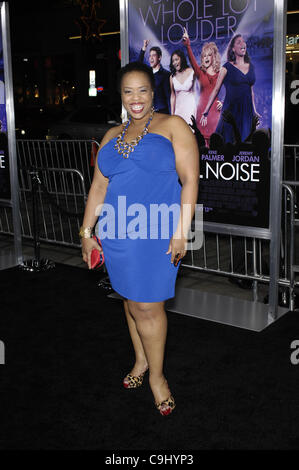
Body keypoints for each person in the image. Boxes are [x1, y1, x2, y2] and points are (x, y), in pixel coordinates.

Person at [80, 61, 199, 416]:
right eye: (128, 91)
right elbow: (99, 187)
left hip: (157, 232)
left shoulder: (173, 126)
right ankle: (141, 361)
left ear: (153, 92)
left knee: (148, 305)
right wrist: (87, 233)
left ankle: (157, 378)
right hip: (117, 234)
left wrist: (182, 232)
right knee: (131, 302)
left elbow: (190, 181)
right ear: (121, 95)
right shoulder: (111, 136)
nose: (136, 98)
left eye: (142, 90)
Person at [200, 34, 261, 144]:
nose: (243, 44)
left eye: (243, 41)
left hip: (247, 112)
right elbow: (216, 89)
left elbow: (250, 90)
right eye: (239, 42)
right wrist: (206, 110)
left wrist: (254, 110)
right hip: (231, 111)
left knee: (246, 143)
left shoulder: (251, 66)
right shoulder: (226, 67)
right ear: (233, 49)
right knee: (229, 143)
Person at [183, 28, 222, 146]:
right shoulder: (200, 72)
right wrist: (188, 44)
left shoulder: (221, 73)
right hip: (201, 113)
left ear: (214, 57)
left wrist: (223, 102)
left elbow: (230, 91)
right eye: (204, 55)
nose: (206, 57)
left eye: (209, 55)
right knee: (201, 146)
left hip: (215, 113)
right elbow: (192, 60)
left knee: (215, 146)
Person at [138, 40, 171, 114]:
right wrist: (144, 48)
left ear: (159, 57)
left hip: (161, 112)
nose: (151, 58)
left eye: (154, 55)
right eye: (150, 56)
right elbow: (138, 65)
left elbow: (168, 96)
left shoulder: (166, 74)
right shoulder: (147, 72)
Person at [169, 49, 196, 126]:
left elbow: (195, 91)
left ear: (182, 59)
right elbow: (172, 95)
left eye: (176, 59)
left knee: (191, 132)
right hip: (179, 110)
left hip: (190, 107)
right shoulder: (172, 77)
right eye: (173, 61)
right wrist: (172, 113)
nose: (174, 63)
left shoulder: (192, 72)